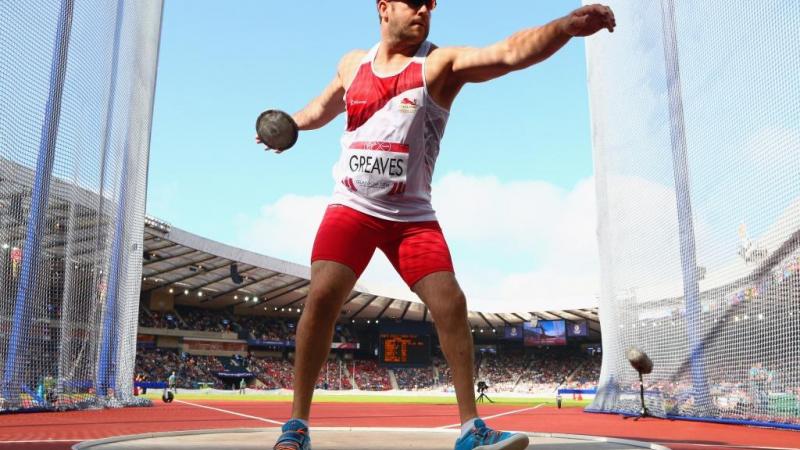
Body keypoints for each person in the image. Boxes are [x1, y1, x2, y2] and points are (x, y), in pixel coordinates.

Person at [258, 2, 615, 449]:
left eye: (430, 3)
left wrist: (562, 28)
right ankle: (296, 426)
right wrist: (293, 124)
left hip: (411, 217)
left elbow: (507, 53)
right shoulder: (353, 64)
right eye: (413, 2)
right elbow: (326, 104)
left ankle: (471, 431)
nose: (424, 10)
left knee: (450, 304)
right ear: (384, 8)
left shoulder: (439, 63)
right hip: (352, 205)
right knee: (323, 295)